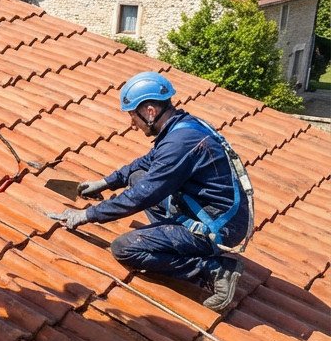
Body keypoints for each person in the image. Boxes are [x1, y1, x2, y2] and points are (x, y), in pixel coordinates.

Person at [47, 71, 253, 311]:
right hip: (212, 209)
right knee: (136, 178)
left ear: (150, 112)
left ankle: (215, 271)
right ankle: (173, 236)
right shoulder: (182, 126)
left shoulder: (179, 144)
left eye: (133, 116)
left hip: (219, 228)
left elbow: (141, 196)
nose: (131, 124)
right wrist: (106, 182)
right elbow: (144, 164)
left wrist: (85, 215)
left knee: (125, 248)